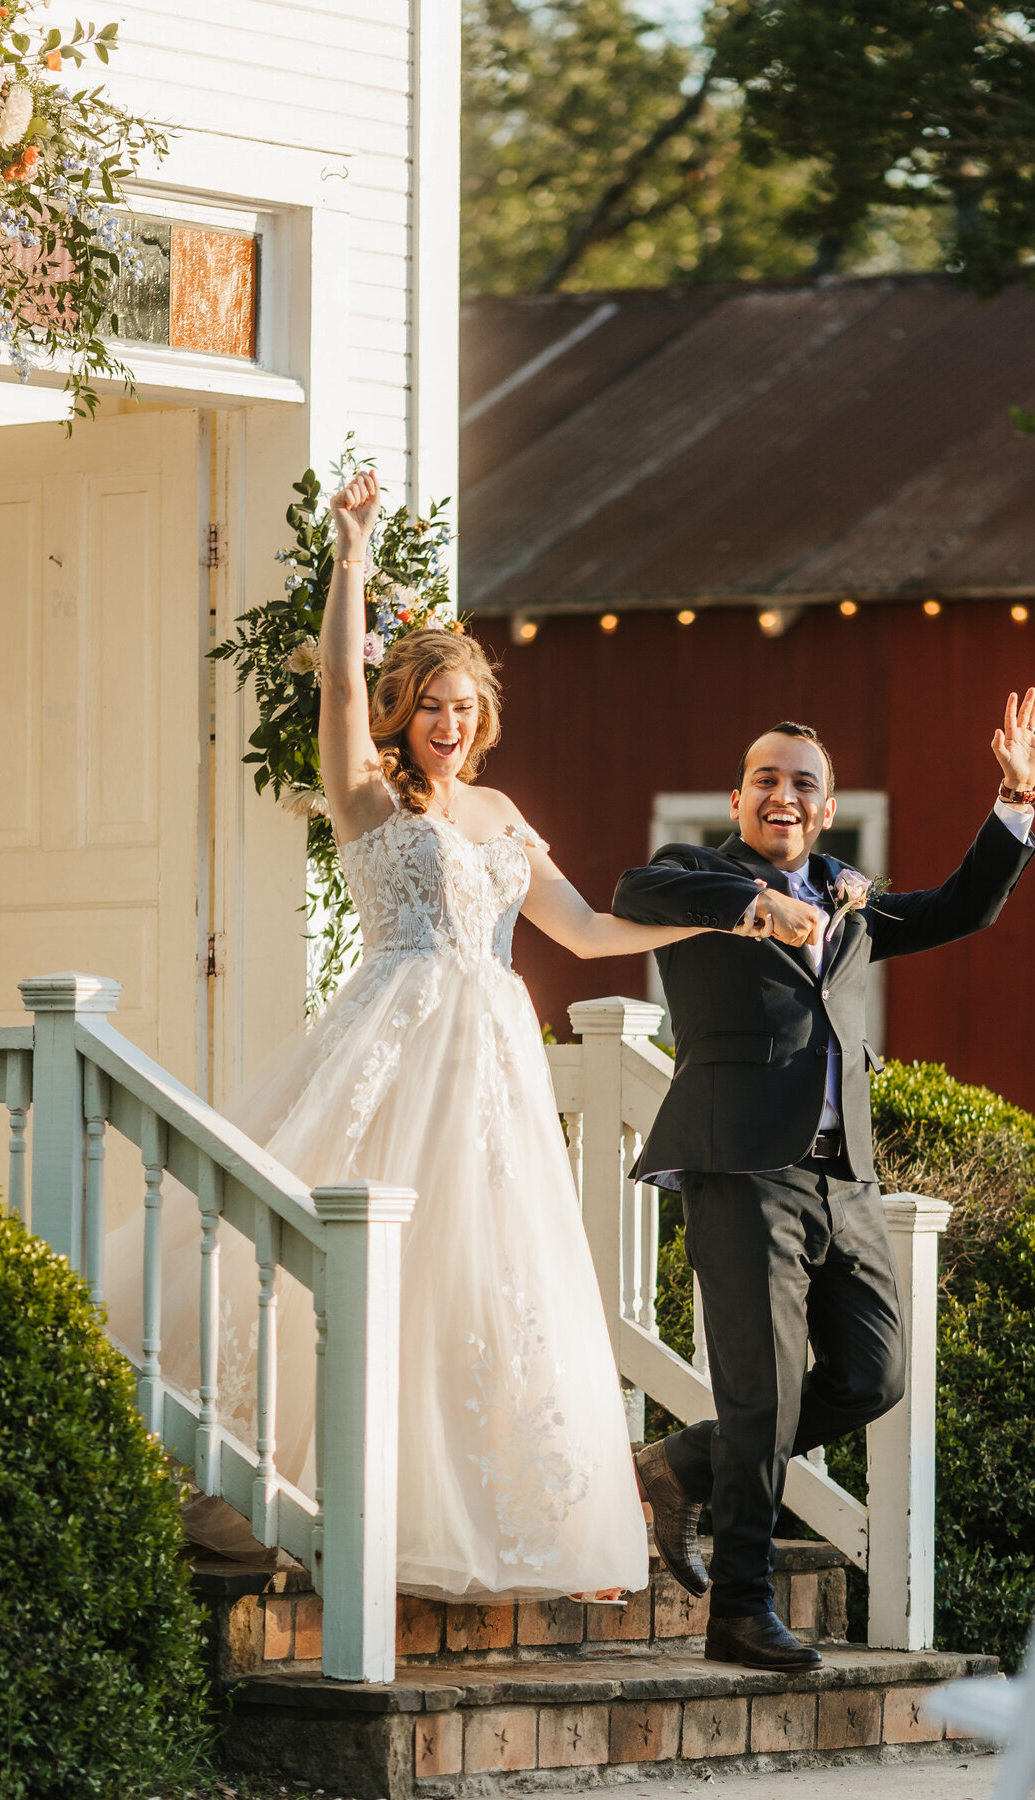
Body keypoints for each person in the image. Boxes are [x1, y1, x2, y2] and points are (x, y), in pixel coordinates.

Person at [207, 465, 707, 1602]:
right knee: (373, 1252)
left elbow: (579, 933)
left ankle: (496, 1516)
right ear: (407, 711)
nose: (447, 721)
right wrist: (350, 556)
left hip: (492, 1064)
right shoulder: (374, 799)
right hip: (396, 1046)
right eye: (430, 702)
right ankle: (322, 1487)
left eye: (464, 707)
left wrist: (720, 920)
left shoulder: (502, 816)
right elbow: (337, 682)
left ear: (482, 722)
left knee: (494, 1274)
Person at [614, 691, 1035, 1669]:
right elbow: (638, 896)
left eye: (802, 783)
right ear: (737, 801)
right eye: (765, 780)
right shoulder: (696, 878)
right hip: (741, 1166)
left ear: (825, 807)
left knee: (875, 1371)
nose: (783, 794)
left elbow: (960, 907)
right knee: (760, 1390)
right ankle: (739, 1610)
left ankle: (678, 1464)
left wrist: (1015, 798)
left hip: (842, 1176)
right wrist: (755, 905)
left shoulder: (850, 898)